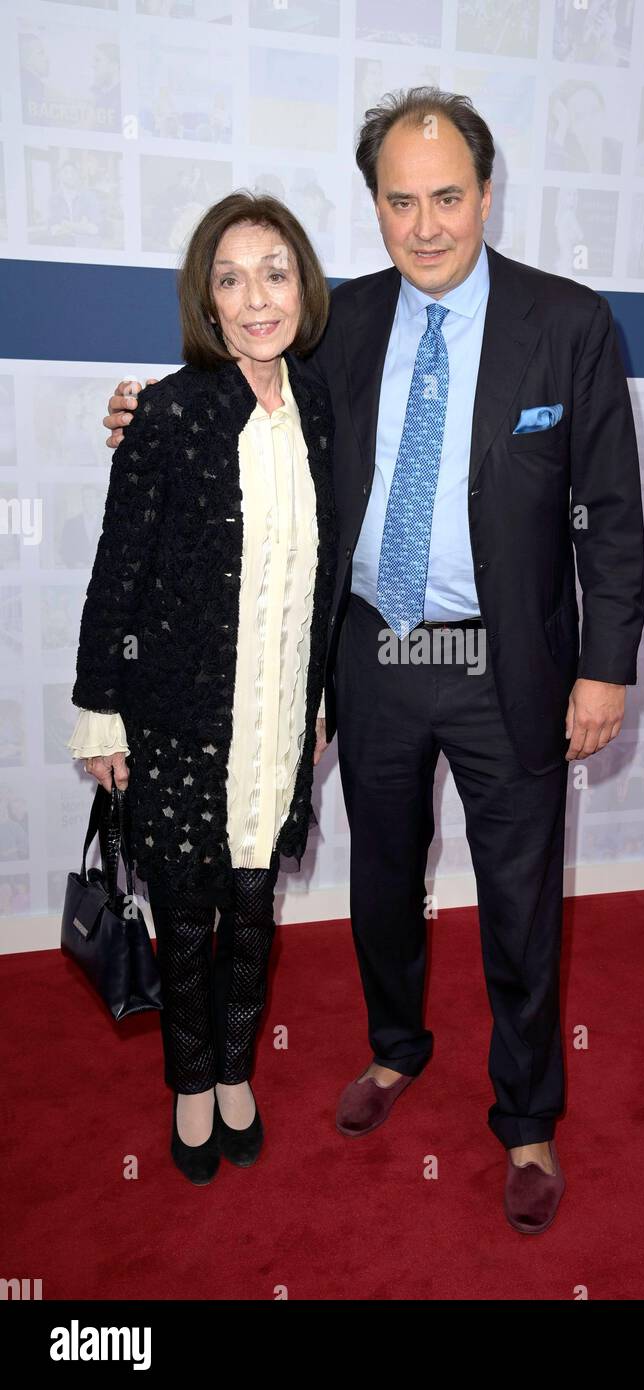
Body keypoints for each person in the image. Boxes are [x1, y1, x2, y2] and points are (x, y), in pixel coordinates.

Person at [104, 87, 644, 1234]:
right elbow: (238, 391)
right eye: (401, 201)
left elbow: (610, 505)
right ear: (376, 207)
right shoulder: (338, 322)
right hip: (374, 658)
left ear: (488, 194)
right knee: (380, 887)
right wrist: (144, 414)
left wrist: (606, 667)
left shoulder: (571, 324)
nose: (428, 224)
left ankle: (528, 1116)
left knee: (520, 905)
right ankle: (396, 1050)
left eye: (449, 197)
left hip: (515, 674)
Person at [72, 190, 336, 1184]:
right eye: (230, 278)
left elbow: (326, 576)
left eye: (274, 271)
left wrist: (320, 705)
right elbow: (118, 572)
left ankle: (236, 1069)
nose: (256, 295)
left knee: (254, 909)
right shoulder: (172, 414)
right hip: (182, 718)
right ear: (207, 300)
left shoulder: (325, 409)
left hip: (280, 721)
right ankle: (190, 1083)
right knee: (187, 914)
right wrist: (101, 707)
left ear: (303, 286)